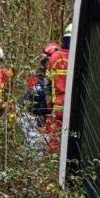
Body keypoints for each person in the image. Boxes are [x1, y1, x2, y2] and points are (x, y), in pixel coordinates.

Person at [17, 42, 60, 150]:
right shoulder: (38, 76)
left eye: (47, 61)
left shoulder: (57, 78)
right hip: (36, 120)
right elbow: (28, 97)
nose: (45, 64)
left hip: (49, 121)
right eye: (44, 61)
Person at [45, 24, 71, 154]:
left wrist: (50, 104)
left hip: (57, 107)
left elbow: (47, 84)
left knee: (54, 141)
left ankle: (50, 167)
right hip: (73, 109)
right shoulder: (77, 57)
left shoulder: (55, 57)